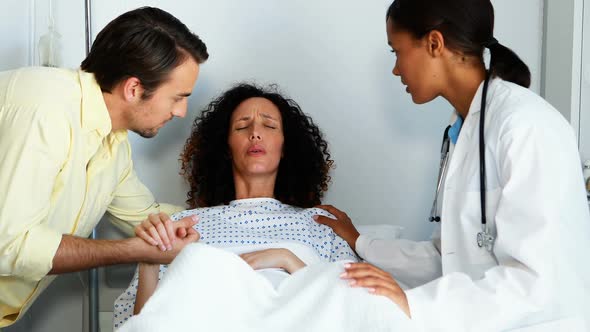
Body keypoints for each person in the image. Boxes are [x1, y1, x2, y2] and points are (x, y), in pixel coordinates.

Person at [314, 0, 590, 330]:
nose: (396, 69)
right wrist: (360, 242)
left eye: (396, 51)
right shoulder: (462, 130)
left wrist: (414, 303)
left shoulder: (526, 126)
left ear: (434, 43)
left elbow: (537, 283)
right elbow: (450, 257)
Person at [0, 7, 208, 327]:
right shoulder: (44, 107)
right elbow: (9, 244)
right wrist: (131, 251)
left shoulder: (113, 144)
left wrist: (252, 215)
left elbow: (147, 215)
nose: (181, 112)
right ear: (134, 89)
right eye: (178, 97)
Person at [112, 83, 358, 329]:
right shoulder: (186, 224)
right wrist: (149, 260)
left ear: (286, 148)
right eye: (242, 126)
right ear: (226, 147)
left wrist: (287, 259)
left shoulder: (320, 223)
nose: (255, 133)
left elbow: (353, 311)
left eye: (269, 125)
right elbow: (138, 325)